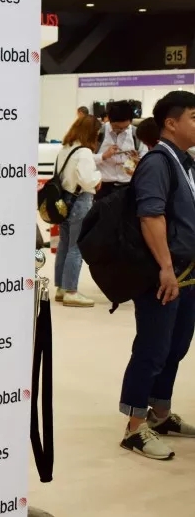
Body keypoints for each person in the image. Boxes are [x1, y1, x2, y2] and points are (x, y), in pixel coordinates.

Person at [118, 90, 195, 460]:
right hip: (163, 274)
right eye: (194, 117)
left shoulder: (185, 162)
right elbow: (151, 216)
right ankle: (134, 429)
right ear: (171, 122)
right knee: (152, 349)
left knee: (176, 347)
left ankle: (160, 414)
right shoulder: (158, 162)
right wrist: (165, 268)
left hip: (187, 274)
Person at [53, 115, 103, 307]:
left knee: (64, 245)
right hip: (80, 200)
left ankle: (61, 288)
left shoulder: (65, 149)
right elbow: (87, 180)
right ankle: (71, 291)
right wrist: (98, 176)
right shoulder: (84, 152)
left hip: (63, 200)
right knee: (76, 247)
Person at [94, 100, 148, 202]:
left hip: (127, 185)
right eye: (117, 127)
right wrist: (103, 156)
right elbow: (86, 158)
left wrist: (137, 160)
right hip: (103, 187)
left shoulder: (136, 134)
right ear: (109, 119)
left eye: (125, 127)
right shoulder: (99, 133)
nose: (121, 130)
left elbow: (145, 156)